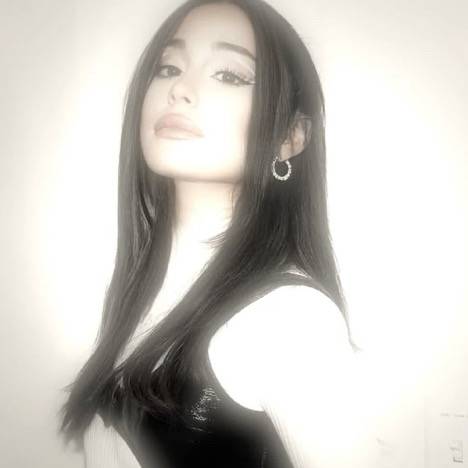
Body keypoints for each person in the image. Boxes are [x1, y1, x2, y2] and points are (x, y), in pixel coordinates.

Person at [58, 0, 383, 467]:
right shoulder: (135, 293)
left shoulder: (290, 319)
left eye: (229, 75)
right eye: (168, 67)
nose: (179, 89)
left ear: (290, 136)